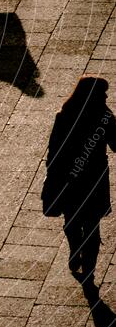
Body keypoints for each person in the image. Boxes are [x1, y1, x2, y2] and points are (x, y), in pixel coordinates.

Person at [44, 76, 116, 284]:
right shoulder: (104, 117)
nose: (105, 96)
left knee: (72, 221)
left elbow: (54, 150)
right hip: (93, 180)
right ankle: (88, 271)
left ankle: (77, 250)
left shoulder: (64, 115)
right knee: (91, 226)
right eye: (102, 93)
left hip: (69, 180)